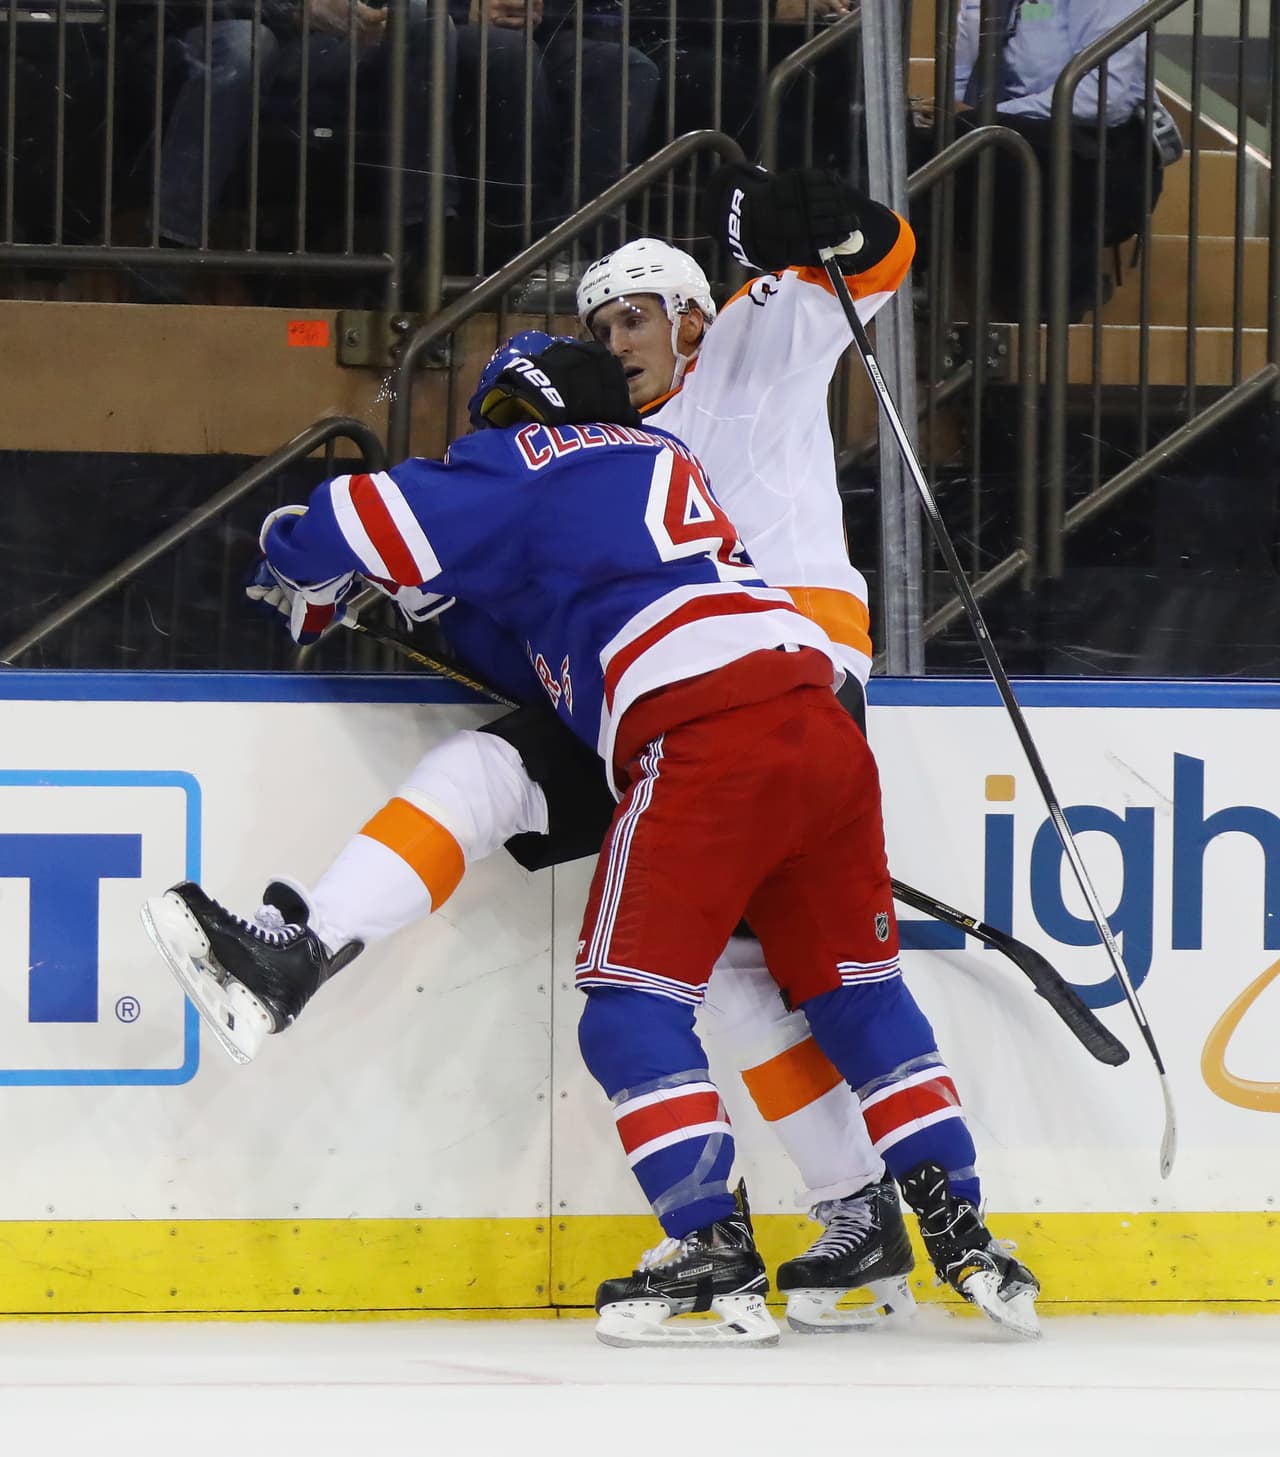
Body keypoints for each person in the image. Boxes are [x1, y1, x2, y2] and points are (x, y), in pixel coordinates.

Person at [142, 329, 1040, 1347]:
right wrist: (418, 610)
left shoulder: (530, 459)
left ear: (515, 413)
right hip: (814, 715)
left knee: (626, 1011)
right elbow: (565, 638)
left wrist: (289, 543)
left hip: (701, 734)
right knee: (853, 995)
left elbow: (350, 520)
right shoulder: (656, 464)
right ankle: (957, 1225)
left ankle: (710, 1253)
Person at [129, 0, 456, 300]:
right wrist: (297, 9)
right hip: (203, 37)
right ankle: (166, 256)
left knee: (426, 18)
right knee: (248, 46)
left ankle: (421, 258)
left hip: (315, 49)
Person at [909, 0, 1181, 321]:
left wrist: (984, 117)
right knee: (912, 134)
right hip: (1011, 130)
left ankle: (1053, 307)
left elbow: (1102, 96)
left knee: (995, 147)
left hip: (1105, 145)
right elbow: (964, 77)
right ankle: (906, 281)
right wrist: (948, 111)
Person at [451, 0, 658, 268]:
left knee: (628, 68)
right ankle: (531, 254)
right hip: (448, 30)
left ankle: (581, 250)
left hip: (543, 33)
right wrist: (464, 8)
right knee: (512, 55)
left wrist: (540, 7)